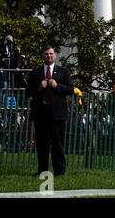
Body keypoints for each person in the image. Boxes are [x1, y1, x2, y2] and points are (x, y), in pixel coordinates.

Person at [26, 45, 74, 176]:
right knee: (42, 145)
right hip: (41, 113)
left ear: (55, 55)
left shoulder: (63, 71)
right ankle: (42, 171)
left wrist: (57, 86)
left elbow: (70, 90)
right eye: (46, 54)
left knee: (58, 144)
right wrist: (39, 87)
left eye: (51, 53)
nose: (49, 56)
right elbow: (28, 91)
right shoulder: (35, 73)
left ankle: (59, 171)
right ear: (42, 56)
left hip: (57, 114)